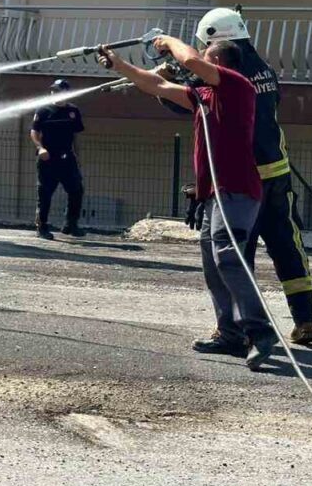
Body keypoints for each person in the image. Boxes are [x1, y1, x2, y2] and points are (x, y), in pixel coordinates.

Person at [99, 36, 276, 370]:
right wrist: (120, 65)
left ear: (220, 62)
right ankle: (230, 334)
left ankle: (260, 331)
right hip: (214, 195)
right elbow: (157, 86)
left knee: (227, 255)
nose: (194, 65)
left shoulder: (238, 86)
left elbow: (192, 62)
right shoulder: (204, 96)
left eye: (207, 57)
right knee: (213, 263)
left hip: (236, 191)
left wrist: (169, 41)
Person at [193, 8, 312, 345]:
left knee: (235, 253)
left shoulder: (227, 72)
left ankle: (241, 330)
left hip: (244, 181)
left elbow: (193, 100)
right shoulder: (263, 69)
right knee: (287, 245)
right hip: (277, 172)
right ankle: (305, 318)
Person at [30, 78, 86, 239]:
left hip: (67, 157)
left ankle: (71, 225)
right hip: (47, 158)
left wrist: (77, 156)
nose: (54, 93)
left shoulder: (73, 111)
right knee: (45, 193)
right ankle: (42, 227)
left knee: (76, 190)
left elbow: (76, 135)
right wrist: (40, 148)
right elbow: (33, 132)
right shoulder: (43, 110)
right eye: (53, 90)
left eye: (58, 90)